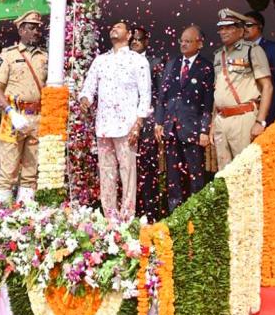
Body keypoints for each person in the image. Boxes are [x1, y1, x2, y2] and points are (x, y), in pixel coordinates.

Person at [80, 20, 151, 221]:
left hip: (127, 126)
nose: (114, 28)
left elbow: (145, 95)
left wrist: (138, 124)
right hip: (104, 126)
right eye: (113, 27)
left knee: (128, 173)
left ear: (128, 35)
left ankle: (127, 218)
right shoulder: (100, 60)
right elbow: (88, 88)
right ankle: (109, 217)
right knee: (106, 172)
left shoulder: (138, 61)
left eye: (119, 27)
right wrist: (85, 99)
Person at [155, 26, 214, 211]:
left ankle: (196, 216)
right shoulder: (172, 64)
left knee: (195, 175)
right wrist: (159, 122)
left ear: (200, 43)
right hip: (171, 128)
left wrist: (204, 129)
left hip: (193, 130)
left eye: (188, 41)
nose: (183, 44)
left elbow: (208, 100)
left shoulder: (205, 66)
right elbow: (162, 96)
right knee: (173, 178)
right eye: (182, 40)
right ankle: (175, 217)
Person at [0, 10, 48, 203]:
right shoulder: (8, 55)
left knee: (31, 172)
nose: (36, 32)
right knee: (8, 170)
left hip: (37, 118)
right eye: (32, 28)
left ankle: (25, 214)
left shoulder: (45, 57)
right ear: (21, 30)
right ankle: (1, 214)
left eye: (38, 29)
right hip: (13, 116)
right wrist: (10, 112)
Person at [210, 9, 273, 170]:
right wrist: (212, 124)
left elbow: (267, 86)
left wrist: (260, 121)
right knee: (224, 173)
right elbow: (218, 90)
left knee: (246, 171)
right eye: (221, 28)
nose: (223, 31)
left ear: (240, 29)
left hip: (243, 117)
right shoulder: (218, 55)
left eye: (228, 27)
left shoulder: (252, 50)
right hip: (221, 119)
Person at [130, 26, 164, 221]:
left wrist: (157, 121)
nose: (135, 42)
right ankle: (131, 211)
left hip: (148, 123)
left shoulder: (156, 62)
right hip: (125, 123)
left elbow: (160, 96)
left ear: (146, 42)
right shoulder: (122, 61)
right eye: (132, 40)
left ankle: (150, 212)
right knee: (127, 167)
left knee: (148, 167)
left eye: (139, 39)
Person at [242, 10, 275, 124]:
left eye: (248, 25)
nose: (244, 28)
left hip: (269, 109)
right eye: (242, 25)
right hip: (244, 111)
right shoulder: (240, 50)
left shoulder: (273, 48)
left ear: (260, 26)